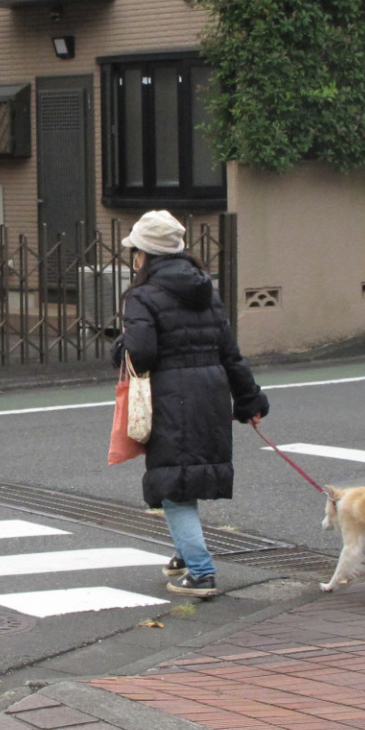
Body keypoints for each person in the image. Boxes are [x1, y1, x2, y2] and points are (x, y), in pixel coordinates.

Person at [115, 209, 269, 597]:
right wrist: (249, 399)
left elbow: (142, 353)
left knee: (173, 485)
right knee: (181, 478)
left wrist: (119, 347)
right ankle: (184, 555)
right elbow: (229, 351)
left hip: (171, 396)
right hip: (211, 394)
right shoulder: (206, 290)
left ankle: (201, 571)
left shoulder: (142, 296)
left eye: (135, 250)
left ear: (144, 255)